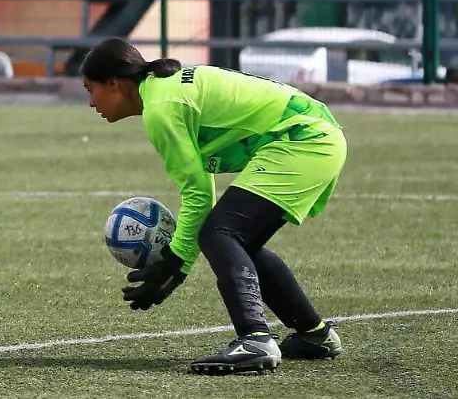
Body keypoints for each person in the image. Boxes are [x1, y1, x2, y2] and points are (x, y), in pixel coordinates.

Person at [80, 37, 346, 375]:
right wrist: (177, 264)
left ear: (114, 83)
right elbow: (202, 186)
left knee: (220, 233)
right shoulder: (164, 91)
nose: (91, 102)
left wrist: (175, 264)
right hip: (314, 135)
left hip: (303, 140)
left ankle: (255, 340)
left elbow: (197, 195)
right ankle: (314, 334)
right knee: (237, 240)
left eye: (90, 89)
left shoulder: (161, 107)